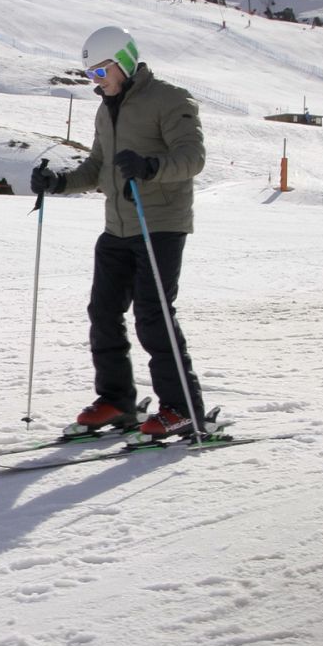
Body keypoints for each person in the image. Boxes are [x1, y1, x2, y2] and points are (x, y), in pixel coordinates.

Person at [30, 26, 211, 441]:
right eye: (91, 75)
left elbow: (192, 157)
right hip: (117, 225)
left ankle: (183, 408)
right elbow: (98, 167)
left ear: (125, 60)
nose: (98, 81)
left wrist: (150, 167)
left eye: (102, 71)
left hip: (160, 224)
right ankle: (117, 402)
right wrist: (59, 182)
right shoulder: (104, 109)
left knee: (152, 316)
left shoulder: (170, 99)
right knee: (103, 313)